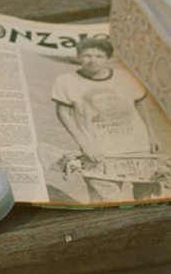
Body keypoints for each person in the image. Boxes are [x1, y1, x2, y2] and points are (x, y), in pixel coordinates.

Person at [51, 37, 160, 203]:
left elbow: (140, 104)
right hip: (99, 152)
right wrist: (85, 144)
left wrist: (151, 136)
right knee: (106, 201)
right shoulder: (66, 81)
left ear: (108, 58)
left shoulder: (125, 77)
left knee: (147, 196)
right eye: (87, 55)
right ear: (79, 56)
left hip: (138, 148)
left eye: (99, 56)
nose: (92, 60)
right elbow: (63, 113)